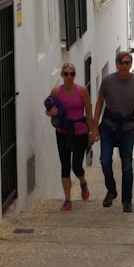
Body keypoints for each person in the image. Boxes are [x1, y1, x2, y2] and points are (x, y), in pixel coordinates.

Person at [92, 50, 134, 212]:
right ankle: (111, 190)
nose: (125, 66)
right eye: (122, 63)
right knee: (105, 161)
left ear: (131, 65)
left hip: (127, 128)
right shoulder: (108, 81)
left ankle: (127, 201)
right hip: (108, 126)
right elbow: (99, 103)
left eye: (127, 63)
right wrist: (94, 127)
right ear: (117, 64)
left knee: (127, 167)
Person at [45, 63, 95, 211]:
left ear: (74, 75)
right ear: (61, 75)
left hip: (79, 132)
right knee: (65, 166)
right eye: (66, 74)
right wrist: (51, 113)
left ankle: (82, 182)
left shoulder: (82, 91)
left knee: (77, 165)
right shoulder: (56, 92)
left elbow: (89, 111)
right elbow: (48, 110)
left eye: (71, 74)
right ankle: (67, 200)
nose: (68, 76)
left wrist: (92, 132)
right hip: (63, 132)